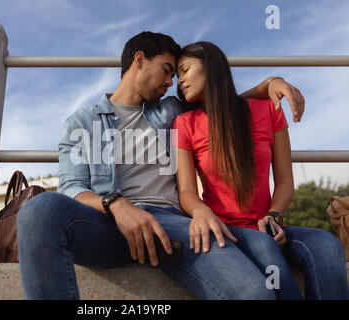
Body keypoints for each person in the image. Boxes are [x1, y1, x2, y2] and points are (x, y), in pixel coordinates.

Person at [16, 31, 306, 300]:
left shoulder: (172, 111)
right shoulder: (81, 123)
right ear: (139, 60)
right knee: (39, 211)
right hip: (107, 224)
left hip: (172, 226)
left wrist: (270, 84)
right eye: (168, 70)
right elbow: (72, 187)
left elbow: (224, 104)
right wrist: (116, 205)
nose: (171, 83)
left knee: (254, 293)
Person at [173, 41, 348, 300]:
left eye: (185, 70)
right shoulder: (184, 124)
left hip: (270, 226)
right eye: (177, 75)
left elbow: (285, 182)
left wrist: (274, 215)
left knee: (326, 244)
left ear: (211, 66)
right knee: (263, 245)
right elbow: (186, 191)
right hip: (227, 232)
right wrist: (202, 213)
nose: (180, 81)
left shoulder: (268, 109)